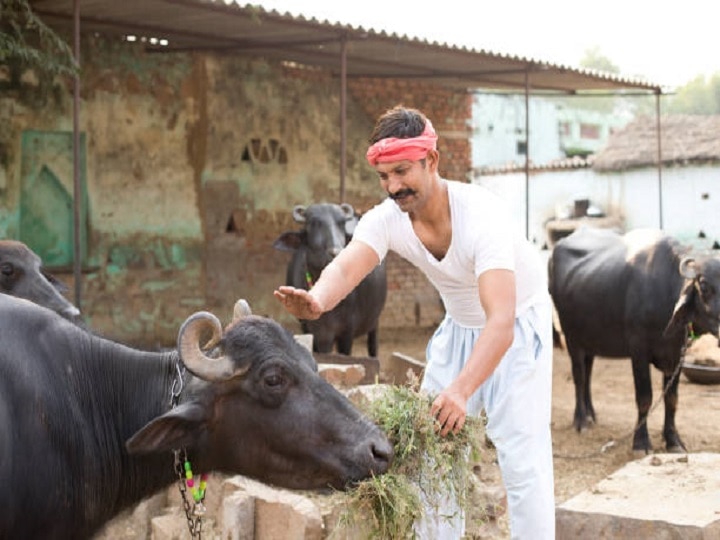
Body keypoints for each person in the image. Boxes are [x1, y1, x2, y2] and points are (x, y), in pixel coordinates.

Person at [274, 105, 555, 539]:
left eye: (402, 171)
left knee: (522, 461)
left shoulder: (482, 216)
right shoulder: (387, 218)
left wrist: (461, 390)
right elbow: (349, 266)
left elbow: (500, 321)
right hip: (459, 330)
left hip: (515, 329)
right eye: (384, 176)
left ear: (432, 161)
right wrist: (317, 300)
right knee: (429, 460)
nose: (393, 186)